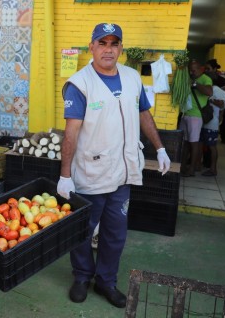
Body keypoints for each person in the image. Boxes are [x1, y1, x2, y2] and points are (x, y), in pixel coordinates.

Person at [57, 23, 171, 308]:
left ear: (120, 48)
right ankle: (82, 276)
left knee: (115, 233)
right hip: (90, 173)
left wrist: (161, 148)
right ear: (92, 47)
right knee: (82, 231)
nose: (108, 49)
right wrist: (65, 175)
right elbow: (71, 132)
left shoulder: (133, 78)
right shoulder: (79, 84)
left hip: (123, 174)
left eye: (114, 44)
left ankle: (106, 282)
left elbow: (143, 113)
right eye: (102, 43)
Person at [180, 60, 213, 177]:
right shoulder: (189, 77)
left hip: (196, 116)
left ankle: (192, 169)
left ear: (201, 69)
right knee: (184, 143)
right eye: (190, 70)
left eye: (194, 70)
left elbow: (209, 92)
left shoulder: (205, 79)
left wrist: (195, 84)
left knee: (194, 143)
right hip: (185, 113)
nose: (191, 72)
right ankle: (182, 166)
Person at [198, 85, 225, 176]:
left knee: (212, 147)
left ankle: (213, 169)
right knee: (200, 144)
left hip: (212, 124)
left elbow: (222, 105)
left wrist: (209, 99)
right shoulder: (207, 89)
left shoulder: (216, 90)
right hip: (204, 122)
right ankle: (197, 165)